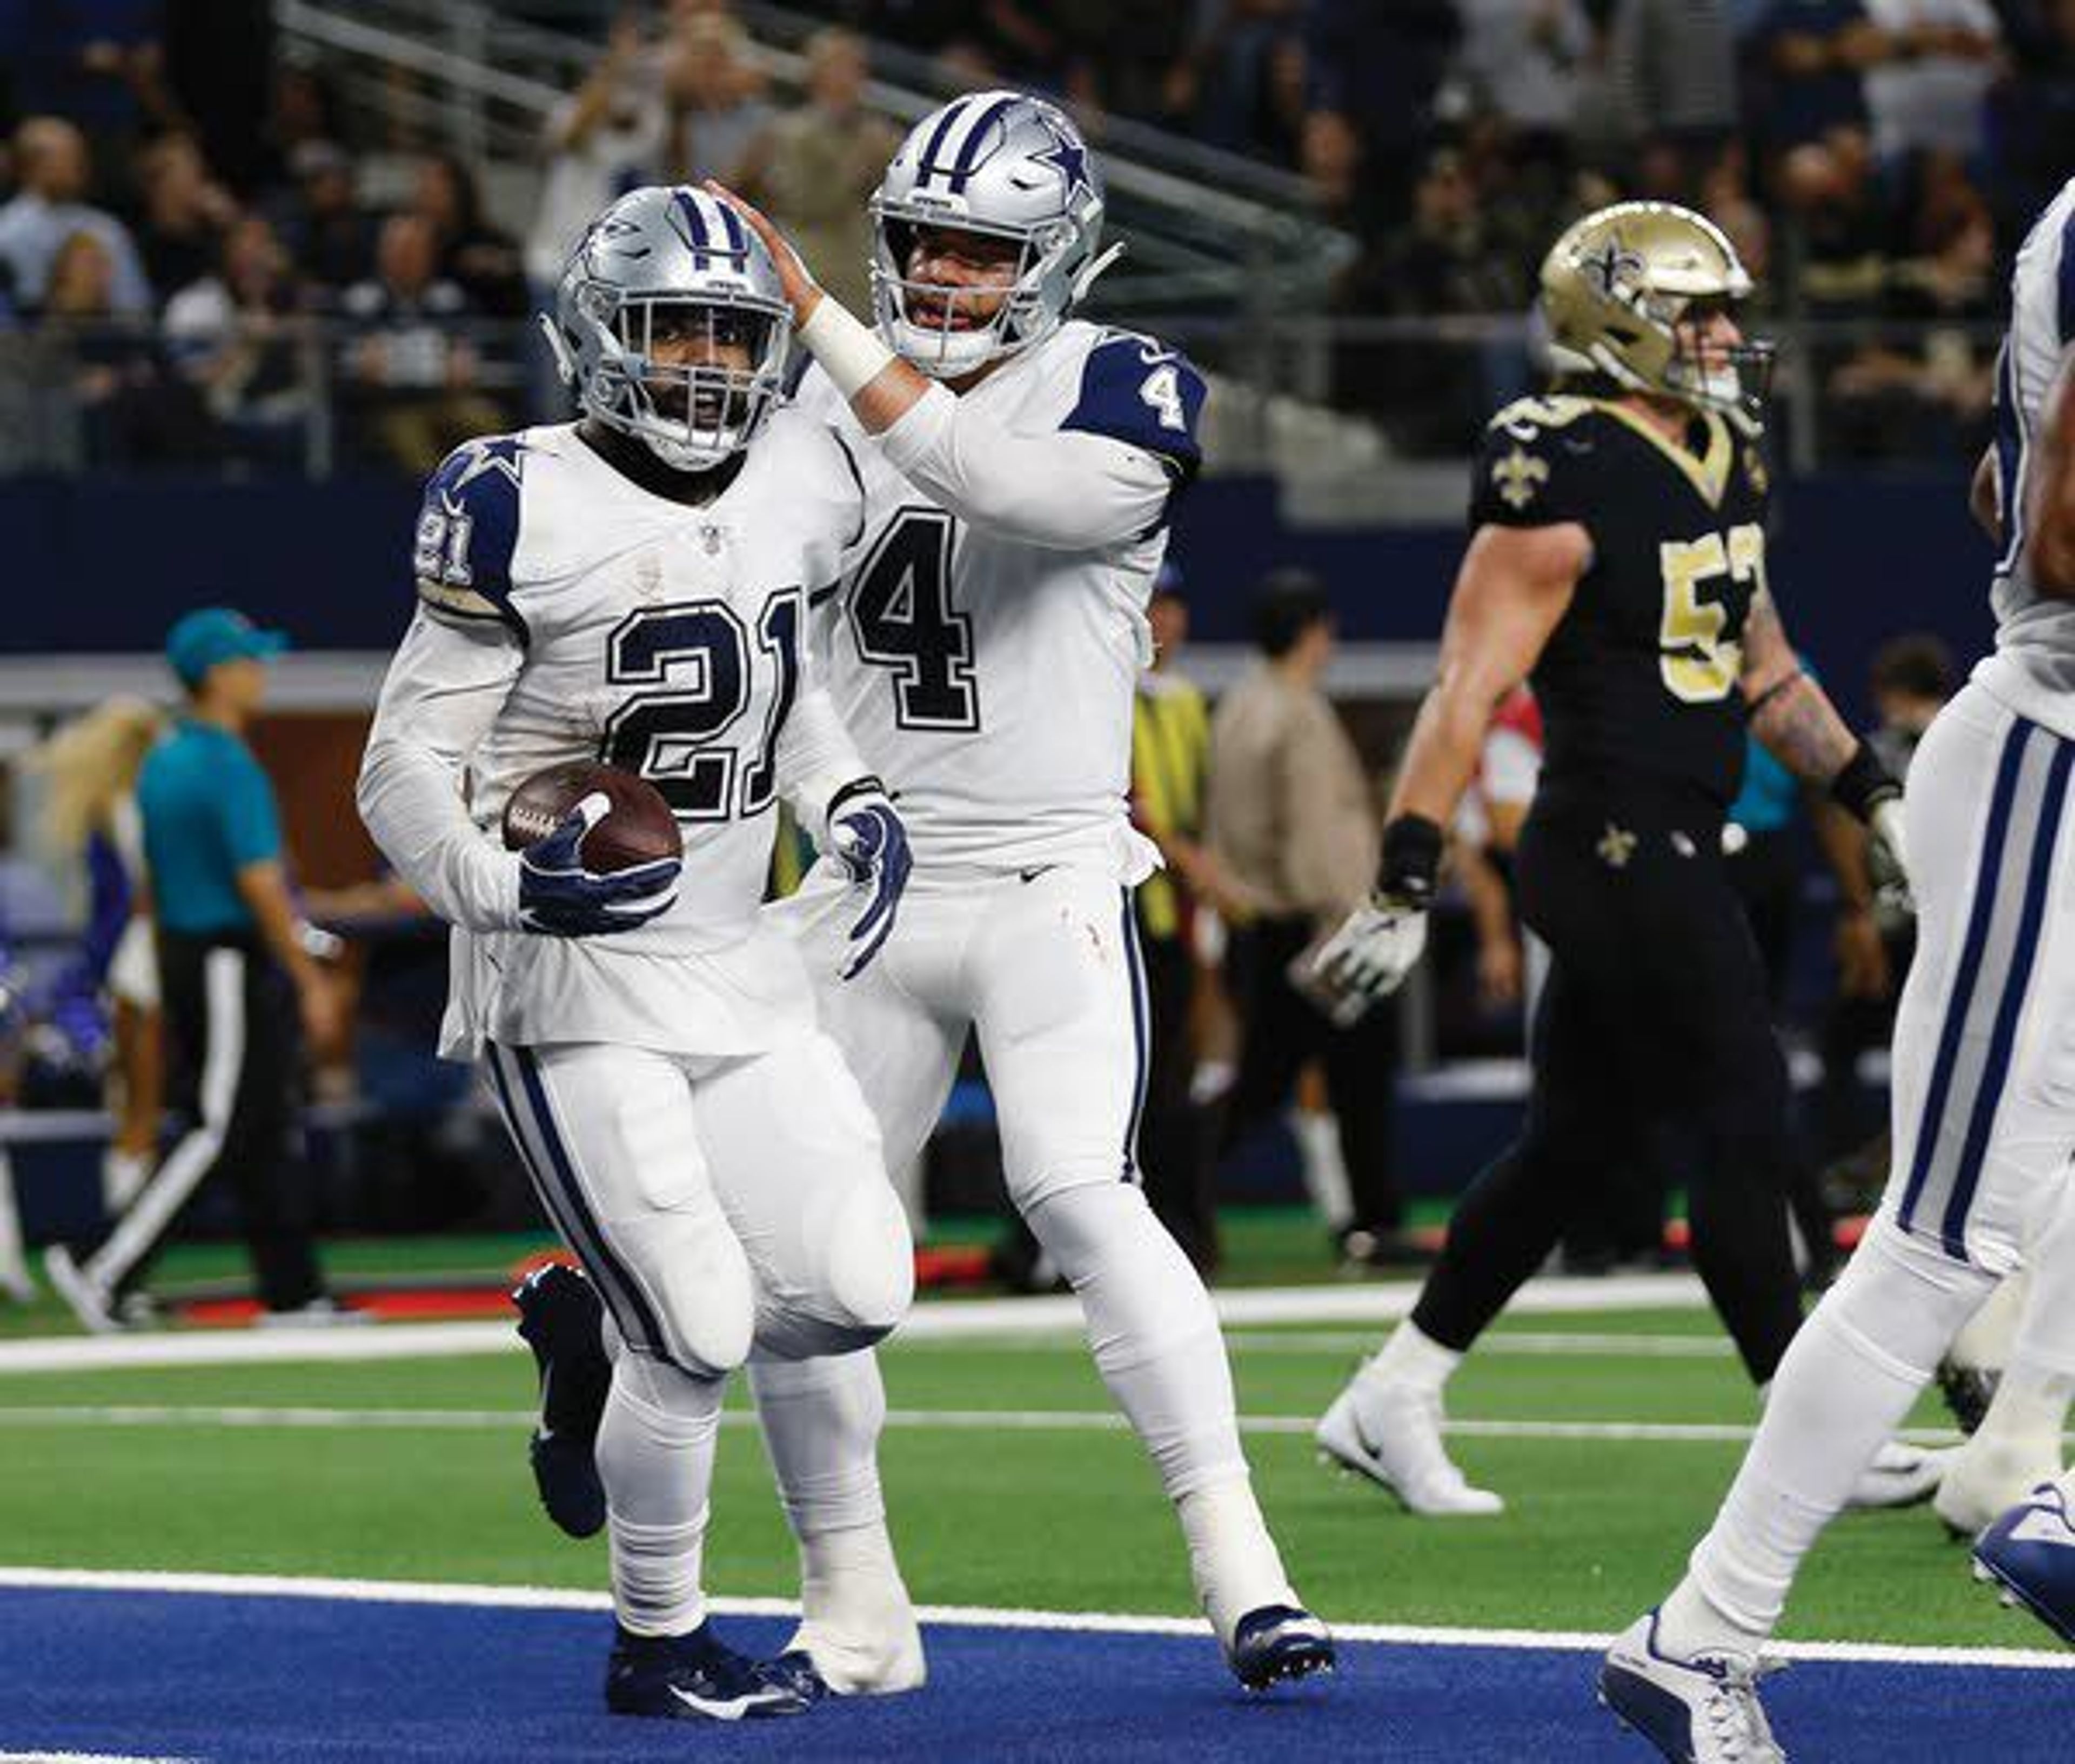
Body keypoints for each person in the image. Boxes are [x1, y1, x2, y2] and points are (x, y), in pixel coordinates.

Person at [527, 91, 1334, 1695]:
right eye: (922, 245)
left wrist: (816, 314)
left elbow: (998, 483)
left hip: (1044, 870)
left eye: (982, 248)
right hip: (866, 882)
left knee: (1075, 1187)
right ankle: (853, 1596)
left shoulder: (1114, 379)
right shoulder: (810, 411)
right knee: (810, 1267)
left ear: (1054, 256)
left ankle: (1242, 1565)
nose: (948, 276)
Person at [357, 184, 918, 1723]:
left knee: (860, 1286)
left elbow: (782, 675)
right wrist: (501, 887)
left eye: (734, 338)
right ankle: (656, 1642)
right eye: (672, 329)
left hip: (738, 955)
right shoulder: (514, 498)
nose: (703, 366)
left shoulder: (796, 478)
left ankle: (585, 1326)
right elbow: (403, 766)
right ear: (598, 336)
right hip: (572, 973)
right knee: (702, 1320)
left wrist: (851, 793)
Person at [1307, 202, 1938, 1519]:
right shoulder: (1559, 466)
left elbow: (1764, 670)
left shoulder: (1724, 448)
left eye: (1724, 311)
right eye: (1695, 312)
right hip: (1601, 839)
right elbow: (1463, 687)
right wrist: (1405, 874)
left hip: (1673, 830)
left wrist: (1875, 795)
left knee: (1573, 1147)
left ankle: (1393, 1389)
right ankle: (1805, 1426)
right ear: (1617, 321)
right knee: (1744, 1103)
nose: (1723, 335)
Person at [1597, 169, 2075, 1759]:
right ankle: (1696, 1630)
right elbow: (2058, 533)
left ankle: (2057, 1497)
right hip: (2051, 766)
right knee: (1939, 1235)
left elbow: (1997, 484)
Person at [44, 610, 344, 1333]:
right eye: (250, 661)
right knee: (220, 1127)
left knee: (262, 1126)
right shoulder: (223, 761)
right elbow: (261, 881)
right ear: (218, 673)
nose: (261, 673)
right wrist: (309, 980)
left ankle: (294, 1293)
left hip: (190, 953)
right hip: (223, 957)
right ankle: (102, 1267)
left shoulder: (168, 760)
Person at [1207, 569, 1411, 1266]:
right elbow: (1319, 836)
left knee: (1268, 1080)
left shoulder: (1238, 704)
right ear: (1309, 631)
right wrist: (1356, 920)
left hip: (1262, 923)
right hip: (1318, 928)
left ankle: (1168, 1184)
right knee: (1344, 1076)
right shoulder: (1296, 713)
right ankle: (1375, 1223)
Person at [26, 697, 166, 1214]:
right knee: (140, 1113)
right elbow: (134, 903)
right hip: (147, 963)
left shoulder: (112, 810)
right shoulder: (133, 810)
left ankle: (123, 1231)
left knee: (132, 1109)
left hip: (127, 966)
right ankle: (122, 1241)